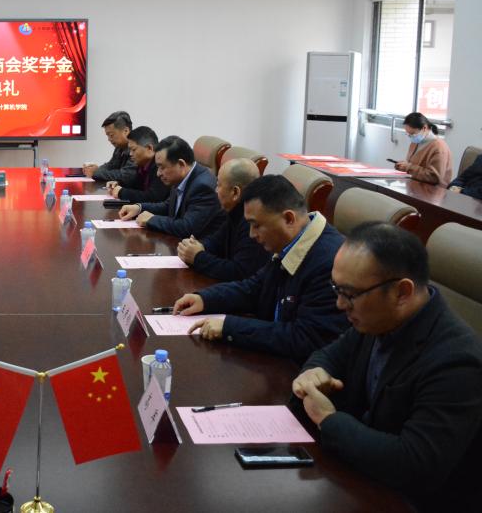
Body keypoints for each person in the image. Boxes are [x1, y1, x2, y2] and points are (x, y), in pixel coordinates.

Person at [292, 222, 482, 511]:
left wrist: (328, 420)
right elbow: (328, 356)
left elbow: (415, 464)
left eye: (349, 294)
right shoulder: (377, 318)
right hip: (361, 477)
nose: (340, 304)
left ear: (402, 293)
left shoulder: (457, 362)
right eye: (336, 289)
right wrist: (313, 373)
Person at [173, 174, 347, 362]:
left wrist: (230, 327)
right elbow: (255, 288)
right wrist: (205, 299)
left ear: (288, 219)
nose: (251, 234)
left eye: (256, 225)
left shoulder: (330, 263)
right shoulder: (293, 242)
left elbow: (305, 338)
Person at [177, 158, 270, 281]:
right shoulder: (233, 211)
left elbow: (239, 272)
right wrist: (197, 246)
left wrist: (197, 257)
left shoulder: (252, 222)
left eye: (219, 185)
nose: (215, 190)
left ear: (235, 192)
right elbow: (216, 242)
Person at [118, 136, 223, 238]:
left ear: (181, 164)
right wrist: (139, 208)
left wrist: (152, 220)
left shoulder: (202, 187)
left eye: (162, 167)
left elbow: (188, 228)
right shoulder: (180, 177)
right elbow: (168, 206)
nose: (158, 173)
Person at [106, 126, 170, 204]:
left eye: (133, 150)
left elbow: (154, 197)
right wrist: (118, 185)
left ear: (149, 148)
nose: (130, 154)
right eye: (130, 150)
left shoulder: (160, 166)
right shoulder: (142, 165)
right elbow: (136, 188)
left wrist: (122, 192)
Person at [394, 112, 453, 185]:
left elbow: (434, 177)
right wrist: (403, 166)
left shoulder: (439, 147)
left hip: (433, 189)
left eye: (412, 134)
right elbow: (412, 165)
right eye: (408, 134)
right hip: (414, 184)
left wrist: (408, 167)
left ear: (424, 128)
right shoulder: (415, 142)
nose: (411, 137)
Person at [82, 111, 136, 183]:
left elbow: (125, 176)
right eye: (107, 136)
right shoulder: (119, 148)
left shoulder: (136, 149)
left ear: (126, 131)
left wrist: (95, 173)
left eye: (111, 135)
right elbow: (110, 166)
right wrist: (96, 169)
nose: (109, 139)